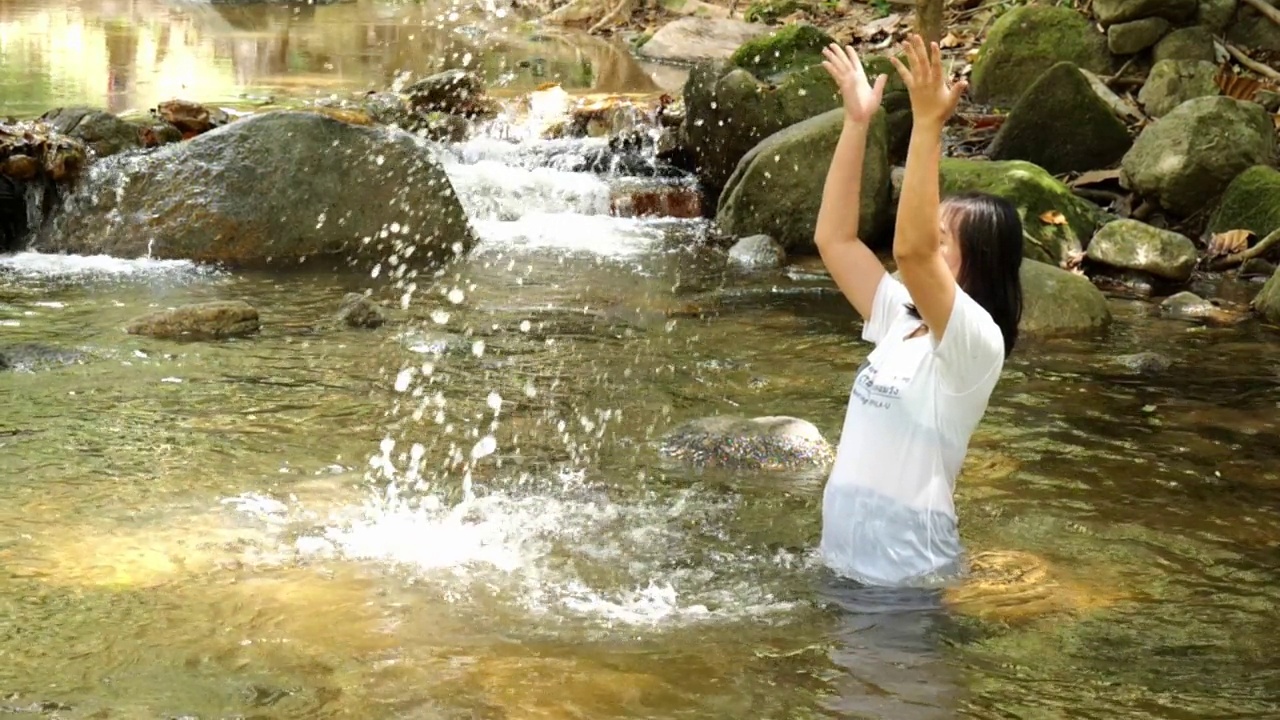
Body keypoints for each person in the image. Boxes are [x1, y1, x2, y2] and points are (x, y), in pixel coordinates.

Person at [813, 35, 1023, 587]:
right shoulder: (900, 320)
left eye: (941, 241)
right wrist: (858, 123)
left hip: (906, 582)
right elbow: (834, 239)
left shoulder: (973, 344)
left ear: (977, 264)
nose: (923, 243)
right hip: (843, 568)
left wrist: (928, 125)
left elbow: (910, 250)